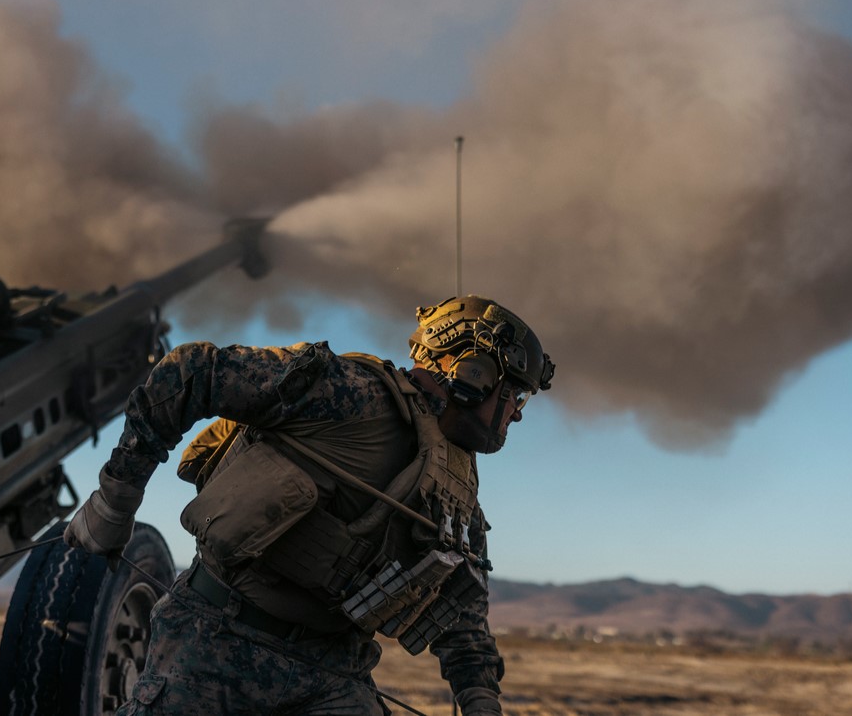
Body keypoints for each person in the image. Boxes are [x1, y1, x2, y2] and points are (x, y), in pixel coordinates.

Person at [64, 295, 554, 716]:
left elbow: (461, 609)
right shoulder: (350, 393)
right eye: (515, 395)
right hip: (216, 642)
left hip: (334, 673)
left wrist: (480, 701)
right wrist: (115, 502)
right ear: (474, 374)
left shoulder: (456, 481)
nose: (517, 413)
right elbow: (191, 372)